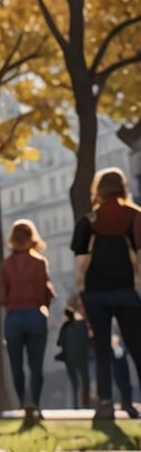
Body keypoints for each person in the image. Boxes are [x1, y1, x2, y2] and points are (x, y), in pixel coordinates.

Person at [70, 167, 141, 422]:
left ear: (98, 190)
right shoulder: (134, 217)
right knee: (136, 346)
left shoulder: (89, 221)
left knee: (102, 349)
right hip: (127, 292)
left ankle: (105, 404)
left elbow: (80, 263)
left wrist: (80, 293)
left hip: (96, 294)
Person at [0, 219, 56, 431]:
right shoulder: (40, 262)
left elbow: (2, 297)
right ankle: (36, 404)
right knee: (36, 365)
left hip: (14, 318)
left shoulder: (6, 265)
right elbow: (46, 293)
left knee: (16, 365)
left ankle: (24, 404)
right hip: (35, 315)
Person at [55, 303, 89, 410]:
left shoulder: (65, 326)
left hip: (69, 358)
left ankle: (76, 404)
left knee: (74, 382)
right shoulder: (84, 324)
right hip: (83, 357)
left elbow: (59, 343)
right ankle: (86, 403)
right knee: (85, 380)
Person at [110, 328, 138, 419]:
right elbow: (115, 338)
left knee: (124, 381)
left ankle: (125, 403)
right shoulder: (115, 325)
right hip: (119, 355)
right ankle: (126, 404)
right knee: (123, 381)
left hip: (120, 353)